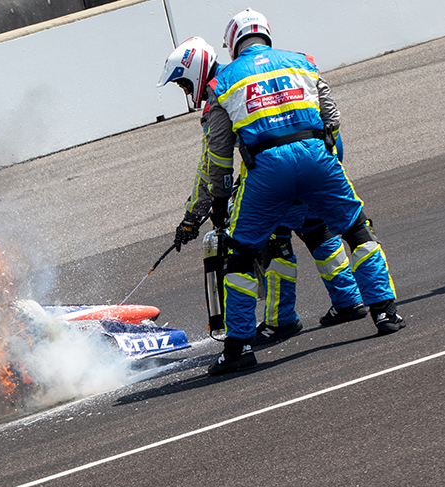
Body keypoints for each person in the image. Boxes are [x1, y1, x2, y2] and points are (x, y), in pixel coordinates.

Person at [200, 9, 404, 375]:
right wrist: (331, 166)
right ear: (266, 35)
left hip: (266, 168)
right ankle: (386, 312)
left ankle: (238, 347)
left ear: (233, 44)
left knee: (242, 255)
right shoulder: (303, 63)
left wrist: (218, 201)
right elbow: (332, 118)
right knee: (356, 229)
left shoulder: (222, 82)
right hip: (316, 156)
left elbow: (218, 152)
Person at [158, 36, 367, 348]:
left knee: (273, 244)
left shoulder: (222, 93)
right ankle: (350, 300)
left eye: (185, 85)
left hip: (273, 179)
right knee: (319, 231)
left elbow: (212, 165)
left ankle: (280, 321)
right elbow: (325, 119)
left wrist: (193, 216)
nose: (187, 92)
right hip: (316, 167)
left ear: (196, 71)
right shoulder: (257, 76)